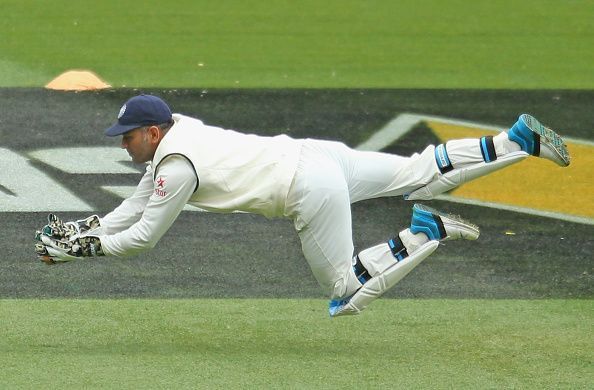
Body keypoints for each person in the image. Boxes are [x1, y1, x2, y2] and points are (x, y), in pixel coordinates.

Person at [35, 94, 570, 316]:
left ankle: (425, 232)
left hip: (308, 191)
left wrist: (84, 250)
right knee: (418, 169)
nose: (122, 144)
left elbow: (144, 236)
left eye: (127, 137)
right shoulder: (179, 134)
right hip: (318, 156)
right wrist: (90, 230)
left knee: (344, 293)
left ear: (153, 132)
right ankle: (518, 140)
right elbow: (131, 207)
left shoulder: (177, 167)